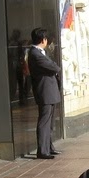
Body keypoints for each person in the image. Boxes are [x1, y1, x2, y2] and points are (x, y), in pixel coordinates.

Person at [27, 27, 61, 159]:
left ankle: (49, 147)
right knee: (44, 121)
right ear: (43, 40)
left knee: (50, 122)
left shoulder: (40, 52)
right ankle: (42, 150)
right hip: (44, 92)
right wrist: (54, 67)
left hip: (50, 91)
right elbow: (54, 67)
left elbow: (52, 65)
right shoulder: (35, 54)